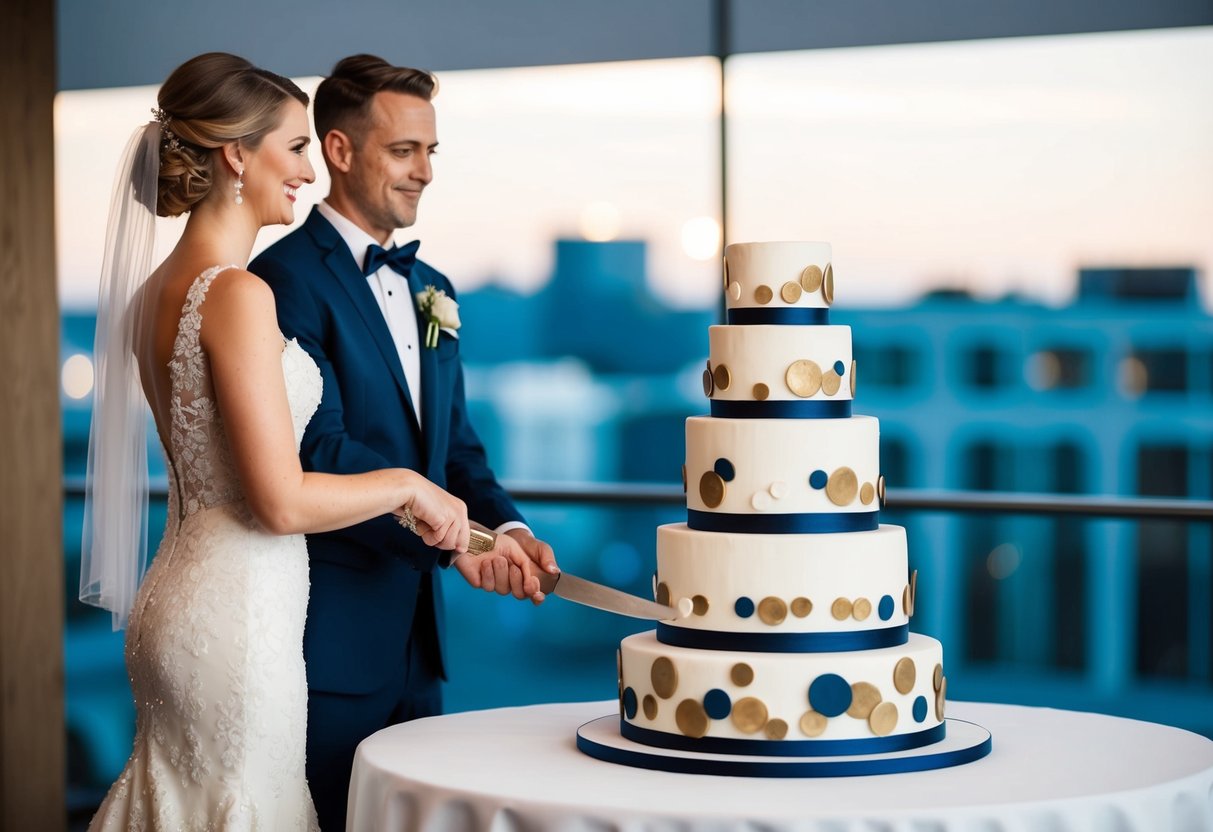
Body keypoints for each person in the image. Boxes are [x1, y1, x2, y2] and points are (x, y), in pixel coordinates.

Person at [81, 52, 545, 830]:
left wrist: (492, 525)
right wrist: (411, 490)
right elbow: (281, 494)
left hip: (191, 592)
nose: (305, 168)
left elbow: (449, 443)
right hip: (245, 613)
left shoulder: (151, 294)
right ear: (235, 154)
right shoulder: (243, 291)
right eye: (297, 147)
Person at [249, 54, 558, 830]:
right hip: (329, 645)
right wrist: (453, 541)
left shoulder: (435, 290)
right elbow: (318, 452)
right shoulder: (280, 280)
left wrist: (508, 529)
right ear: (340, 151)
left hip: (422, 646)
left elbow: (455, 448)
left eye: (430, 151)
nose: (423, 172)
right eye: (402, 150)